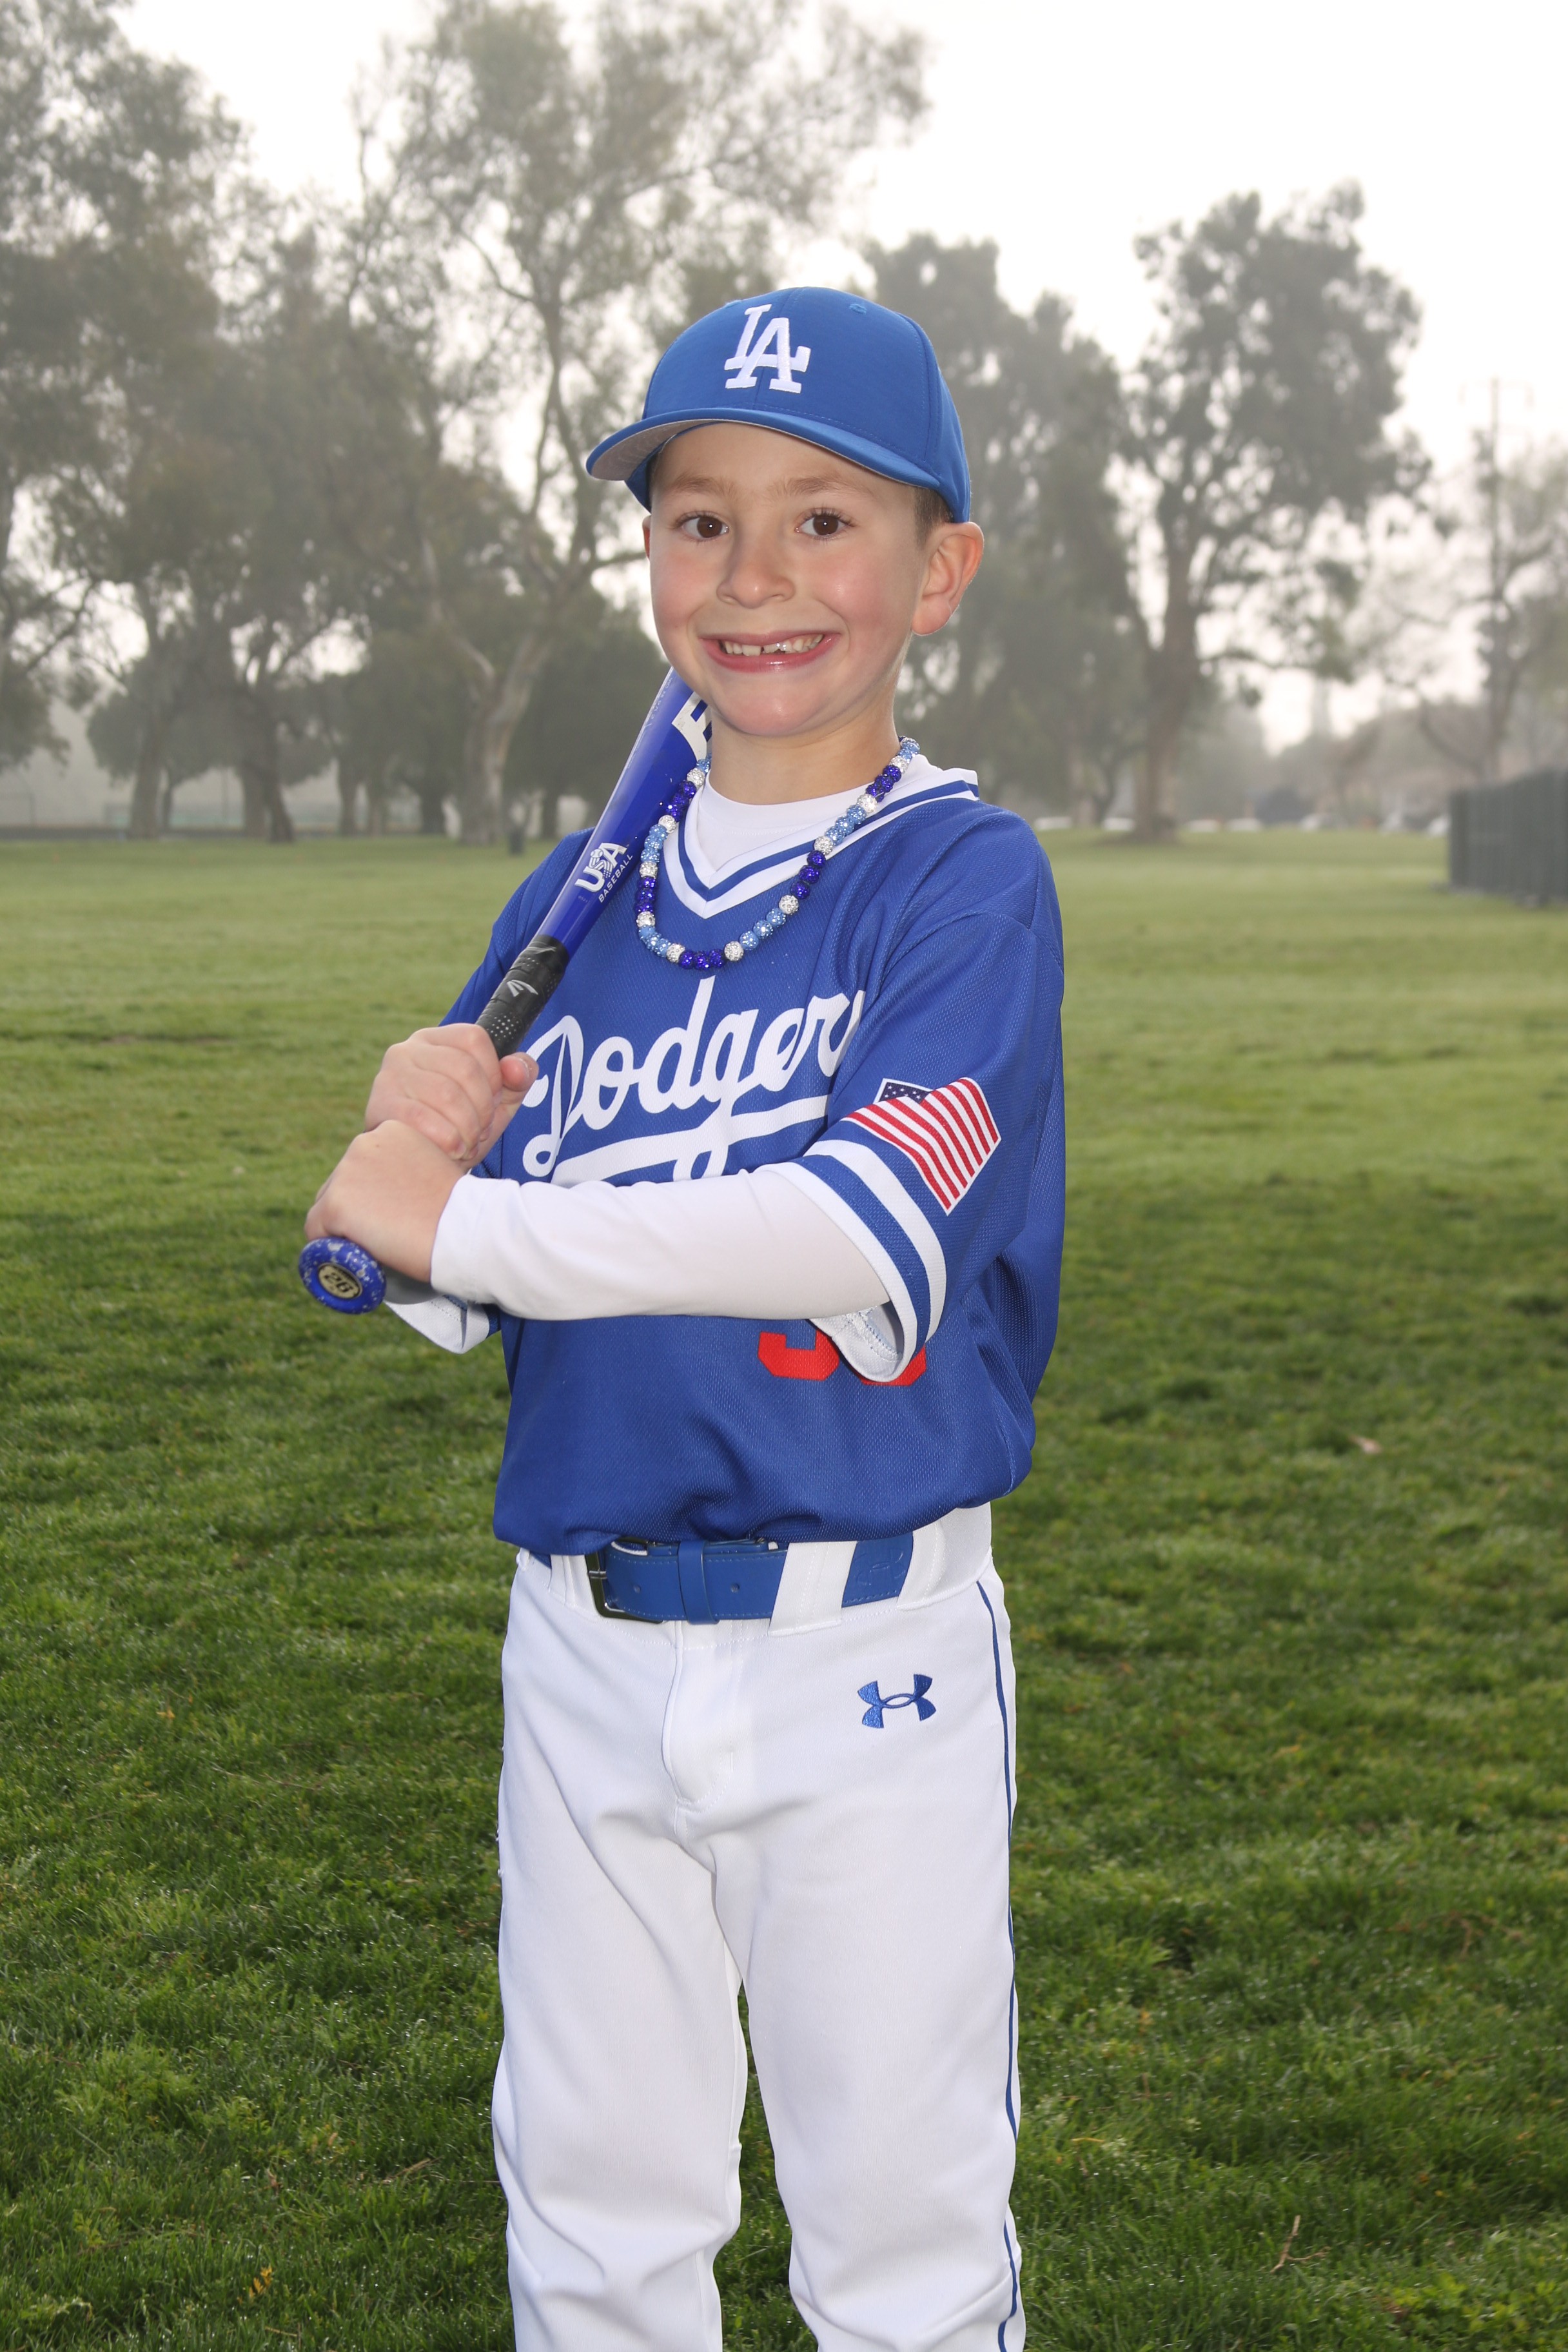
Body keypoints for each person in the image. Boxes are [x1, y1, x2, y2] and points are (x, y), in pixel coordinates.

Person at [305, 287, 1065, 2351]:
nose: (754, 577)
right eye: (698, 520)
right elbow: (457, 1292)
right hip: (583, 1642)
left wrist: (476, 1225)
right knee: (591, 2224)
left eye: (825, 521)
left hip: (866, 1660)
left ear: (939, 571)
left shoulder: (963, 883)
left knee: (900, 2249)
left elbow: (855, 1224)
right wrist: (420, 1151)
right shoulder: (582, 906)